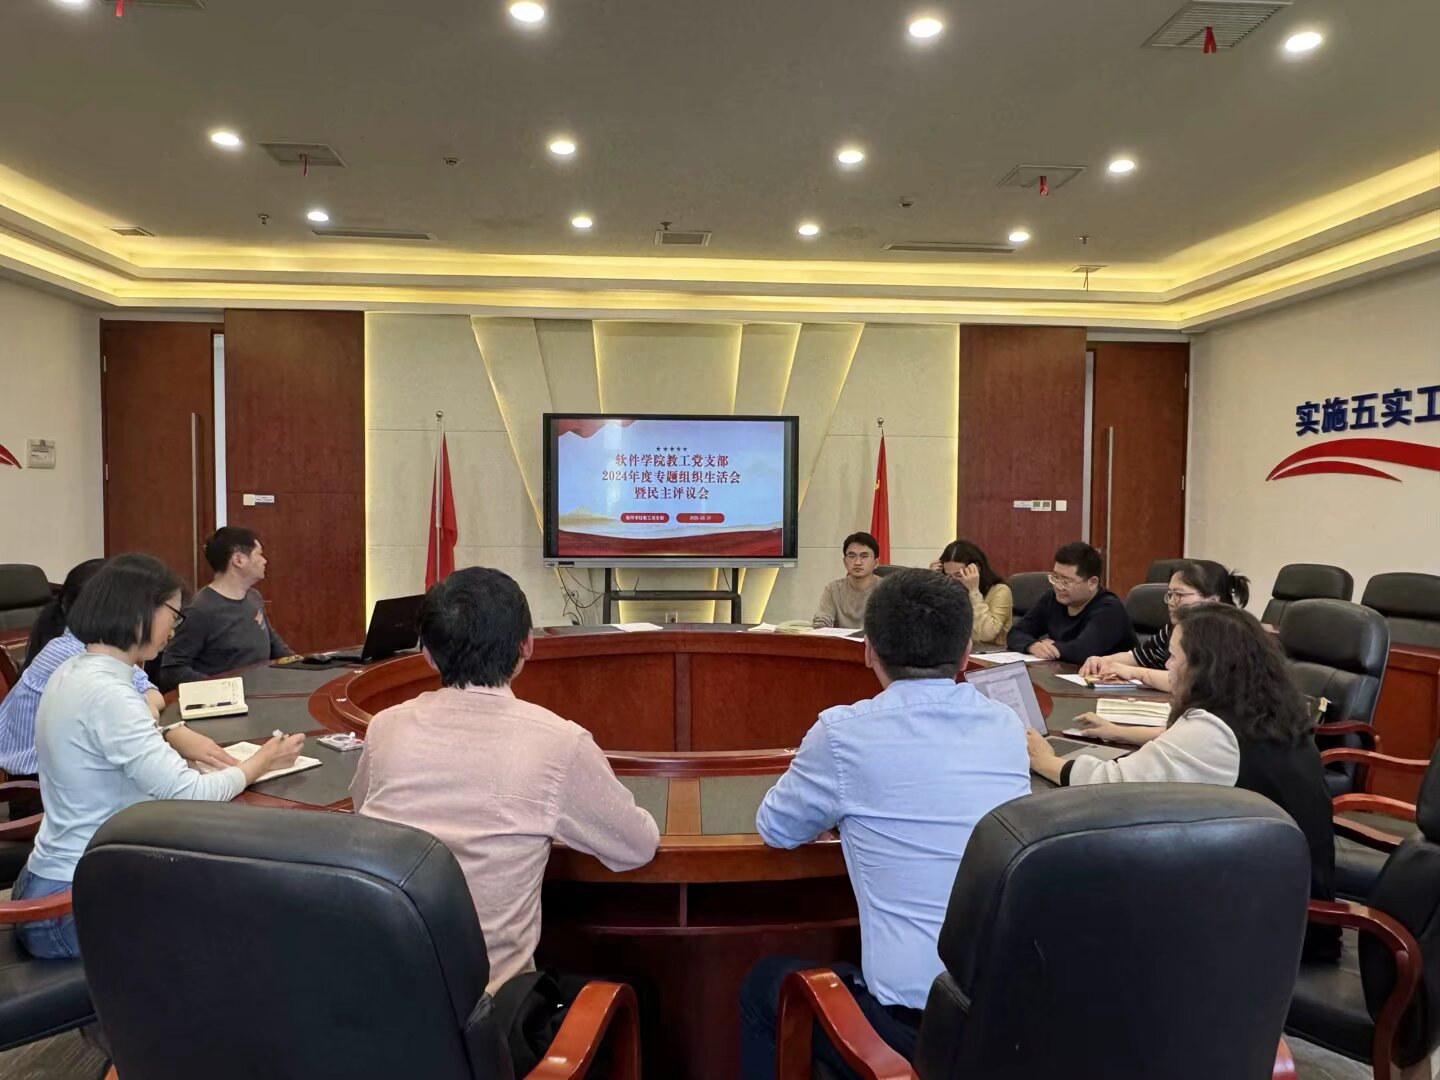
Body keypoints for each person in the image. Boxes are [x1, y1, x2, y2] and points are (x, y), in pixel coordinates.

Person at [742, 569, 1032, 1078]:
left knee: (765, 984)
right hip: (1012, 1021)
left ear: (868, 650)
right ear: (967, 652)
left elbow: (776, 827)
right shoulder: (1006, 725)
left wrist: (839, 812)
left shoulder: (843, 734)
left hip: (916, 1029)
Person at [351, 566, 659, 996]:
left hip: (373, 994)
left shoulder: (386, 727)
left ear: (428, 655)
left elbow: (361, 813)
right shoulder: (558, 743)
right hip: (487, 1012)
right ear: (527, 645)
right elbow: (637, 846)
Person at [12, 553, 305, 958]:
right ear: (141, 611)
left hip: (52, 883)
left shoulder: (77, 669)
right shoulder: (108, 693)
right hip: (69, 907)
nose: (173, 628)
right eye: (174, 614)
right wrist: (261, 762)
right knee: (246, 915)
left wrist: (169, 747)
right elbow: (190, 795)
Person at [1026, 602, 1339, 961]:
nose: (1167, 666)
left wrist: (1047, 761)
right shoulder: (1266, 709)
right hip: (1290, 898)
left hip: (1270, 927)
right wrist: (1120, 735)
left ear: (1206, 666)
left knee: (1087, 873)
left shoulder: (1214, 729)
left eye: (1174, 657)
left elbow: (1113, 784)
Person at [0, 558, 231, 787]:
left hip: (83, 767)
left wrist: (148, 715)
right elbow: (126, 708)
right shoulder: (71, 655)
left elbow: (151, 693)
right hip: (41, 781)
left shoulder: (101, 648)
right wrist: (162, 729)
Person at [1079, 560, 1250, 691]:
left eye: (1179, 594)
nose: (1171, 602)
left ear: (1212, 600)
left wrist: (1134, 673)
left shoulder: (1227, 635)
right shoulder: (1175, 629)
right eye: (1170, 594)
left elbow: (1188, 683)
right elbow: (1138, 656)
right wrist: (1103, 661)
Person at [159, 527, 293, 690]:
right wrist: (223, 688)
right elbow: (172, 669)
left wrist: (300, 663)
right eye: (259, 554)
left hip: (260, 691)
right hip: (226, 700)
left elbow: (272, 641)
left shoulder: (254, 597)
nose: (264, 560)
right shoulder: (200, 610)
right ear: (238, 560)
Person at [1006, 541, 1135, 662]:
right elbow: (1016, 633)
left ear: (1092, 583)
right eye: (1055, 577)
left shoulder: (1109, 609)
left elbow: (1083, 651)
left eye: (1067, 581)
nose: (1058, 586)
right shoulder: (1053, 598)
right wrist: (1032, 645)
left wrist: (1054, 646)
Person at [929, 539, 1013, 647]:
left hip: (989, 652)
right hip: (957, 650)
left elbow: (986, 634)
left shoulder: (1000, 591)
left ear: (976, 569)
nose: (953, 581)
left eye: (959, 575)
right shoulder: (951, 590)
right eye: (948, 576)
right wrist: (932, 584)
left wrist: (974, 591)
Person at [812, 532, 882, 630]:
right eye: (852, 556)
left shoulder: (888, 590)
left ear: (876, 562)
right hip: (839, 640)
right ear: (845, 562)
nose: (857, 562)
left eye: (864, 556)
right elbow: (821, 623)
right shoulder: (833, 589)